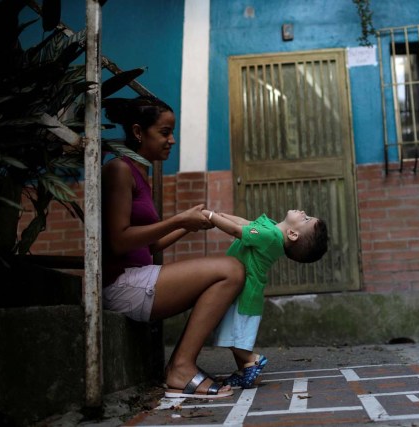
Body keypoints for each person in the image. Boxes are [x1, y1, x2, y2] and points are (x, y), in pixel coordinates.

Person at [101, 96, 245, 399]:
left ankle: (181, 365)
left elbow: (150, 244)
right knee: (230, 270)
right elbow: (118, 240)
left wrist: (187, 226)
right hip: (122, 285)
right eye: (165, 132)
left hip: (140, 276)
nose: (172, 140)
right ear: (139, 132)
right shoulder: (119, 170)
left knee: (230, 270)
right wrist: (179, 219)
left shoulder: (139, 171)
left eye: (172, 132)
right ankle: (181, 367)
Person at [201, 208, 328, 388]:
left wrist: (211, 217)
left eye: (305, 218)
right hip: (240, 290)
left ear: (292, 234)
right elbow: (244, 222)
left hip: (244, 294)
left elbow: (237, 231)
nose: (303, 212)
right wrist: (220, 215)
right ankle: (247, 372)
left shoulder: (270, 237)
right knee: (235, 336)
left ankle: (254, 360)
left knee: (232, 336)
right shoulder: (270, 228)